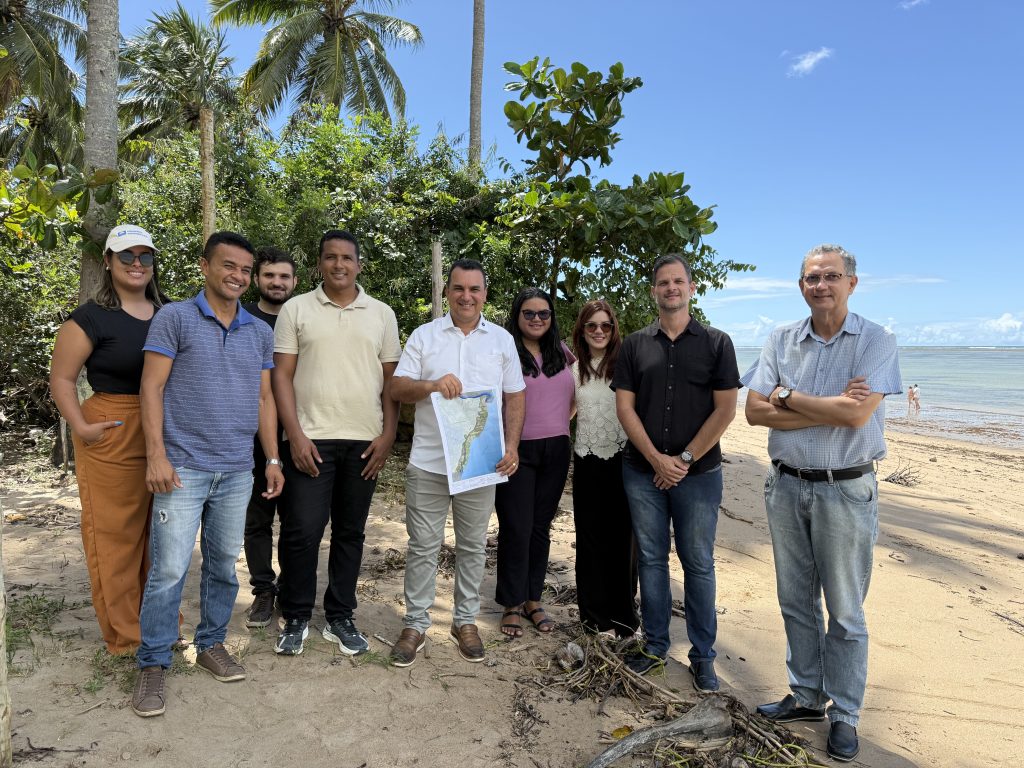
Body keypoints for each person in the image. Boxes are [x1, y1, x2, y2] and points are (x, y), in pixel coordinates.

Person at [742, 243, 901, 763]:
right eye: (812, 278)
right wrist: (827, 408)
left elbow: (857, 419)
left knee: (846, 612)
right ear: (801, 285)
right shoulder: (781, 339)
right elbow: (753, 412)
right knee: (795, 600)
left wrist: (787, 397)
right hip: (786, 484)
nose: (821, 286)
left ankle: (846, 714)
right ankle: (807, 696)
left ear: (851, 283)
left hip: (846, 488)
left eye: (831, 277)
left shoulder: (876, 341)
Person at [132, 231, 284, 718]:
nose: (237, 276)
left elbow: (264, 399)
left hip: (237, 469)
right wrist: (156, 455)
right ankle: (154, 662)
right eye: (228, 266)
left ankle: (212, 643)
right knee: (170, 569)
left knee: (222, 565)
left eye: (245, 269)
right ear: (205, 266)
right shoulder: (173, 317)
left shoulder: (259, 331)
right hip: (182, 467)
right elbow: (151, 388)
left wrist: (272, 459)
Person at [388, 258, 525, 666]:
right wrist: (431, 385)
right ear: (447, 292)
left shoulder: (501, 340)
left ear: (485, 294)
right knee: (423, 546)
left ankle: (464, 621)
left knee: (472, 546)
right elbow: (396, 387)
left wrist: (512, 447)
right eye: (459, 288)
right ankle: (415, 624)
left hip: (480, 464)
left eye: (475, 289)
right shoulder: (425, 336)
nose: (467, 296)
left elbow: (515, 395)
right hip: (429, 462)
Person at [612, 253, 740, 692]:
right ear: (653, 291)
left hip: (699, 474)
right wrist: (656, 460)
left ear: (691, 287)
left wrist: (682, 461)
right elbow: (624, 408)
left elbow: (726, 410)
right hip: (641, 471)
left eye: (678, 282)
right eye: (662, 283)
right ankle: (655, 644)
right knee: (650, 559)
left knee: (698, 563)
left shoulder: (718, 343)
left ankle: (703, 655)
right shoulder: (633, 345)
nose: (671, 288)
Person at [272, 230, 401, 657]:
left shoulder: (381, 314)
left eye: (347, 258)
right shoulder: (296, 309)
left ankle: (340, 616)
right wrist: (294, 436)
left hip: (364, 442)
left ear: (359, 264)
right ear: (319, 263)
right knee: (301, 532)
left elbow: (390, 384)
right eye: (330, 257)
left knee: (350, 532)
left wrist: (388, 435)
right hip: (312, 441)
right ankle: (294, 615)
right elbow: (281, 378)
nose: (339, 265)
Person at [49, 224, 166, 655]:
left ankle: (160, 623)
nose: (137, 265)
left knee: (162, 535)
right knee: (116, 534)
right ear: (108, 262)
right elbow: (61, 378)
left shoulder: (168, 311)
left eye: (145, 257)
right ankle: (126, 635)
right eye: (127, 256)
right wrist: (80, 426)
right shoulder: (90, 318)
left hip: (164, 428)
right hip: (113, 426)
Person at [494, 288, 575, 637]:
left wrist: (561, 424)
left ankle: (532, 598)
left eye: (544, 313)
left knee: (541, 526)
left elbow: (575, 397)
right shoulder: (505, 352)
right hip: (516, 451)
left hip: (556, 450)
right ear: (517, 316)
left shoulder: (563, 353)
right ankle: (511, 603)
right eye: (529, 313)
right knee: (516, 526)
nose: (537, 319)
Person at [570, 299, 639, 639]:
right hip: (586, 461)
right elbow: (565, 410)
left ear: (614, 330)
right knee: (589, 539)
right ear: (582, 330)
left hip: (624, 460)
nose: (599, 331)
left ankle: (625, 618)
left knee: (623, 541)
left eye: (605, 326)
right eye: (592, 326)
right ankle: (594, 618)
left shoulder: (627, 364)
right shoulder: (574, 368)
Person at [241, 246, 298, 628]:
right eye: (269, 276)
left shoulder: (304, 318)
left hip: (299, 434)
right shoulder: (242, 319)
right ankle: (263, 589)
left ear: (295, 282)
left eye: (284, 277)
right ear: (256, 279)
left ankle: (293, 590)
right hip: (250, 433)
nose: (276, 283)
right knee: (256, 518)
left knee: (298, 520)